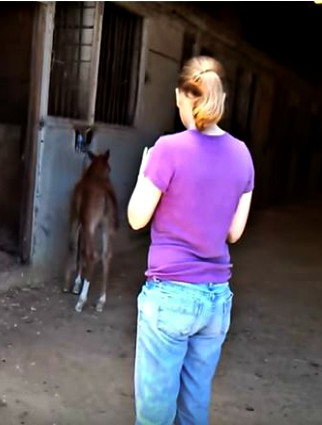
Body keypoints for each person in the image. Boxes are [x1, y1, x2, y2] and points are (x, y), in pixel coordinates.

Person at [127, 55, 255, 425]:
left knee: (154, 415)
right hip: (216, 300)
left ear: (182, 96)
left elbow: (137, 219)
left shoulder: (167, 149)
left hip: (171, 297)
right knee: (194, 409)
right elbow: (234, 232)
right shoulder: (243, 155)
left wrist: (142, 176)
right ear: (221, 98)